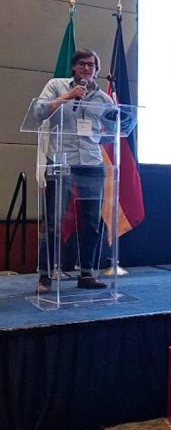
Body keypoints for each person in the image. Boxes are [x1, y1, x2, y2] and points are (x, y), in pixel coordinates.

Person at [36, 49, 114, 293]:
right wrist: (68, 96)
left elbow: (114, 129)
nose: (87, 69)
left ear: (97, 70)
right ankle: (45, 276)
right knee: (54, 221)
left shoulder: (104, 99)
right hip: (61, 162)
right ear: (74, 67)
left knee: (91, 223)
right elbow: (39, 112)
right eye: (82, 64)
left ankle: (87, 274)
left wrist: (112, 128)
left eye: (92, 65)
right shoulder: (56, 85)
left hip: (92, 164)